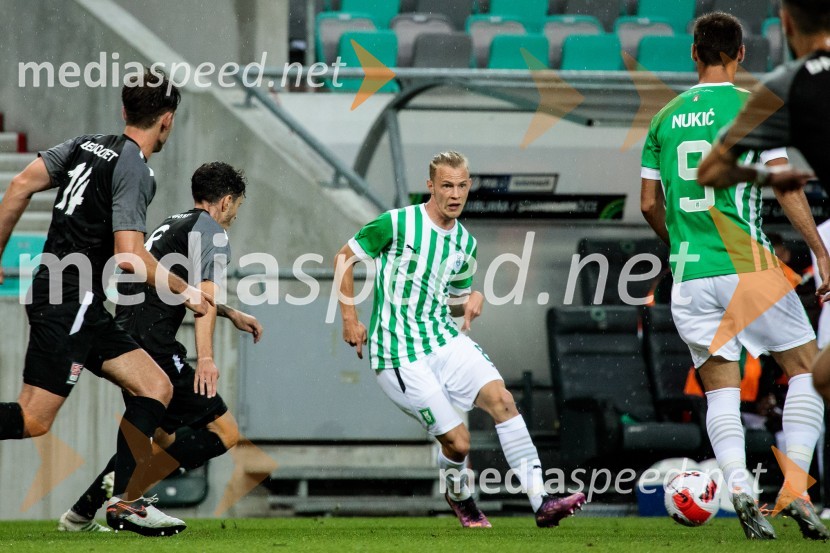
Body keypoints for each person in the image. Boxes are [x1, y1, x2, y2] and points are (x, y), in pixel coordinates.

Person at [0, 68, 213, 536]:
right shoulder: (135, 169)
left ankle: (124, 503)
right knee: (34, 419)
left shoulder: (83, 144)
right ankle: (122, 501)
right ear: (168, 120)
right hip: (69, 299)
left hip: (76, 301)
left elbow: (17, 187)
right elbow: (131, 257)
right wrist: (188, 291)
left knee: (155, 388)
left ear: (124, 110)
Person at [640, 12, 829, 540]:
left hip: (692, 276)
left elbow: (649, 202)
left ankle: (740, 489)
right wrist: (819, 252)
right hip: (748, 265)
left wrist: (680, 246)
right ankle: (795, 488)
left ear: (694, 54)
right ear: (741, 54)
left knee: (719, 387)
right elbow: (785, 187)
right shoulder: (753, 106)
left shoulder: (664, 117)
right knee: (807, 369)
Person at [334, 151, 585, 528]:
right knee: (460, 444)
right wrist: (350, 319)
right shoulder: (398, 224)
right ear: (430, 186)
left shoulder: (465, 244)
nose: (455, 194)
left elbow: (452, 303)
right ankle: (458, 493)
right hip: (399, 353)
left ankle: (542, 500)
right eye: (446, 186)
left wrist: (472, 300)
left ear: (469, 187)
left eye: (461, 186)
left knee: (502, 400)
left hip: (443, 340)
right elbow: (343, 259)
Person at [57, 161, 263, 533]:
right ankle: (128, 501)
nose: (235, 216)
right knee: (225, 433)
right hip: (154, 343)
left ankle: (82, 513)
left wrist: (230, 312)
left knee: (155, 445)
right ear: (227, 201)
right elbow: (203, 301)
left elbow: (175, 287)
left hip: (126, 337)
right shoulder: (213, 232)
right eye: (238, 207)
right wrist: (207, 360)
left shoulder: (176, 223)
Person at [697, 0, 830, 396]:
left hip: (702, 267)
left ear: (785, 22)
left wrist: (768, 175)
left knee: (818, 377)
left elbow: (711, 171)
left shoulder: (785, 87)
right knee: (817, 375)